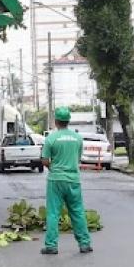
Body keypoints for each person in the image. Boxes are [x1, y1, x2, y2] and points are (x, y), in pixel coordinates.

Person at [39, 106, 93, 256]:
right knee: (77, 212)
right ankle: (85, 244)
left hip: (55, 180)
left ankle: (51, 246)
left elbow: (44, 160)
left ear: (56, 121)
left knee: (53, 214)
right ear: (68, 121)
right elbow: (78, 158)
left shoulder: (51, 138)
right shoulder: (78, 138)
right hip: (74, 180)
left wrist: (53, 167)